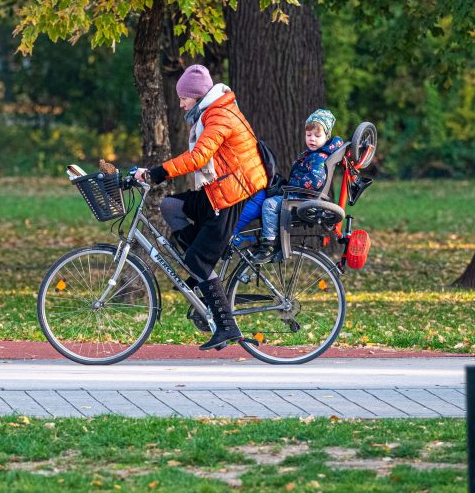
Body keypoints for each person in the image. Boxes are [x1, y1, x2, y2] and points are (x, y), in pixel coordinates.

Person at [133, 64, 267, 350]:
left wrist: (156, 173)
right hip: (220, 190)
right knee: (171, 206)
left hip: (233, 195)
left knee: (198, 260)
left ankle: (227, 327)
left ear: (196, 95)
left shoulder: (219, 115)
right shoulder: (211, 111)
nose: (180, 102)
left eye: (184, 98)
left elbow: (198, 157)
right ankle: (203, 274)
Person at [252, 109, 344, 263]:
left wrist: (290, 187)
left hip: (302, 197)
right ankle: (269, 239)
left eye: (317, 135)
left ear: (327, 137)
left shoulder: (318, 158)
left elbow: (315, 181)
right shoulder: (312, 154)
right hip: (297, 194)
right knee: (269, 200)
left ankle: (269, 245)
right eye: (308, 135)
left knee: (269, 204)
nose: (312, 139)